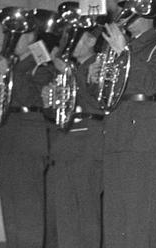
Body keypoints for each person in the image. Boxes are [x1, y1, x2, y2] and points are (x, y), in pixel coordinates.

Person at [98, 0, 156, 248]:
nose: (124, 16)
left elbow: (154, 83)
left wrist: (124, 53)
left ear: (144, 15)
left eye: (129, 10)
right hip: (118, 130)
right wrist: (96, 73)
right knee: (115, 216)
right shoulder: (123, 46)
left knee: (140, 216)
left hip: (144, 135)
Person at [0, 8, 59, 248]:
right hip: (8, 136)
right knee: (10, 209)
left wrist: (9, 75)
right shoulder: (14, 64)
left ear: (30, 37)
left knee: (28, 211)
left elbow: (35, 99)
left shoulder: (41, 62)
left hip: (29, 138)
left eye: (16, 35)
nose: (10, 40)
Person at [45, 23, 104, 248]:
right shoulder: (71, 69)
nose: (67, 45)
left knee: (87, 212)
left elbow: (99, 105)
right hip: (65, 141)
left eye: (75, 39)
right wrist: (51, 101)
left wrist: (69, 75)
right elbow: (58, 111)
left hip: (89, 140)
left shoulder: (99, 65)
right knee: (65, 213)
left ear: (91, 41)